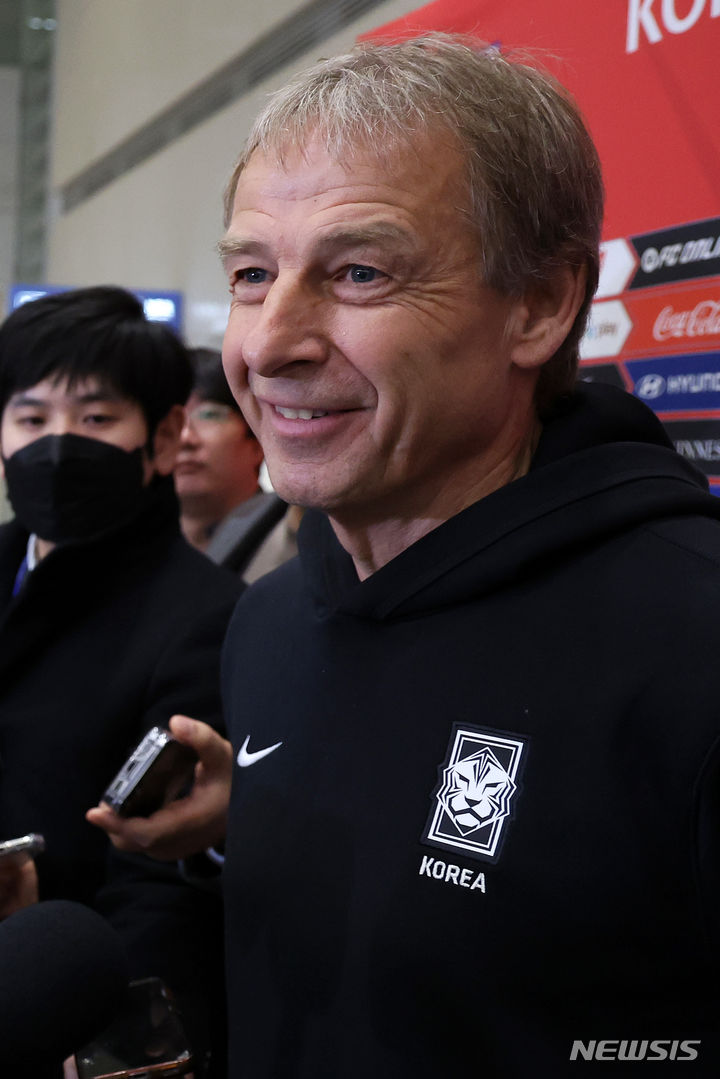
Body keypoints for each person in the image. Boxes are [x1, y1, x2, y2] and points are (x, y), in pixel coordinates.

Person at [94, 33, 720, 1076]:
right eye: (253, 273)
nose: (268, 341)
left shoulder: (694, 646)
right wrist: (249, 834)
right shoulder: (271, 620)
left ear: (541, 305)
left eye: (359, 271)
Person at [0, 285, 240, 1072]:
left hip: (49, 1010)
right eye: (31, 419)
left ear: (165, 437)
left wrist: (115, 1049)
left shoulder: (203, 616)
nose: (58, 444)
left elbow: (160, 877)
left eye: (97, 419)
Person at [175, 347, 291, 576]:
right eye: (171, 419)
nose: (184, 437)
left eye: (209, 415)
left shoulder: (294, 543)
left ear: (259, 440)